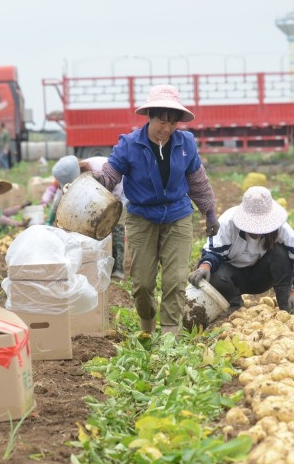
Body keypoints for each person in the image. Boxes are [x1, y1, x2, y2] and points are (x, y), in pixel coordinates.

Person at [87, 85, 218, 335]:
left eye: (172, 123)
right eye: (161, 121)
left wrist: (210, 213)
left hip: (178, 216)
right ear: (150, 117)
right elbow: (111, 174)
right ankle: (147, 327)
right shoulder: (129, 145)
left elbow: (198, 181)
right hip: (142, 217)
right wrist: (99, 180)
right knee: (143, 284)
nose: (166, 128)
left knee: (175, 280)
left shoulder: (185, 144)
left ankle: (169, 336)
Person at [189, 186, 294, 316]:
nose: (256, 231)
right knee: (214, 271)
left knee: (280, 252)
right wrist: (205, 266)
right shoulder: (228, 222)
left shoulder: (281, 228)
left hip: (260, 277)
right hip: (230, 278)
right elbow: (213, 251)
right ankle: (235, 304)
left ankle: (286, 305)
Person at [45, 154, 128, 279]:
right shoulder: (68, 178)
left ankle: (118, 269)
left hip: (119, 192)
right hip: (97, 197)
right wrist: (49, 220)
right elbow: (59, 199)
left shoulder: (99, 168)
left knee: (117, 226)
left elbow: (115, 192)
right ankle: (94, 263)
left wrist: (109, 210)